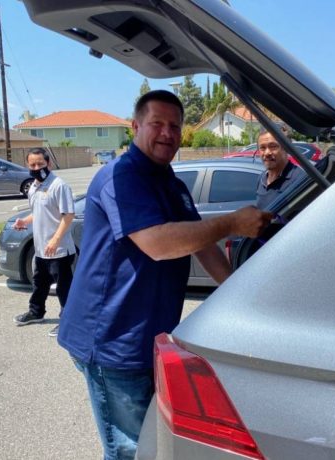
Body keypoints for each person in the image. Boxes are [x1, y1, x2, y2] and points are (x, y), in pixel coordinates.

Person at [58, 90, 273, 459]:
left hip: (147, 337)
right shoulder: (122, 178)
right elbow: (158, 244)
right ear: (135, 126)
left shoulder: (170, 183)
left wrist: (239, 295)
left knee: (151, 440)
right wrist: (233, 222)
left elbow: (202, 245)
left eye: (175, 126)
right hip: (112, 342)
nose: (167, 133)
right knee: (128, 448)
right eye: (157, 123)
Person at [13, 147, 76, 337]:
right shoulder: (33, 186)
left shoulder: (59, 185)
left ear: (48, 163)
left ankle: (68, 322)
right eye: (32, 164)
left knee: (64, 289)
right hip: (41, 249)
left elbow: (68, 215)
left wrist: (56, 240)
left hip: (59, 250)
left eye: (40, 164)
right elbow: (39, 212)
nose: (36, 167)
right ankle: (36, 312)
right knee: (39, 284)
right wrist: (24, 221)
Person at [255, 127, 305, 209]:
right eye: (262, 148)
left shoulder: (299, 180)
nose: (267, 153)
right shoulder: (261, 178)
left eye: (273, 146)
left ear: (287, 148)